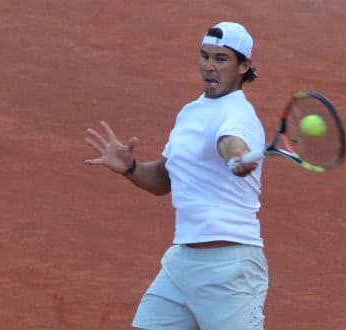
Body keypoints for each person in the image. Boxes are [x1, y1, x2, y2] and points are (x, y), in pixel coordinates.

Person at [84, 22, 268, 330]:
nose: (209, 67)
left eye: (221, 59)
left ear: (243, 66)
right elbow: (164, 178)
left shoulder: (237, 114)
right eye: (204, 56)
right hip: (182, 263)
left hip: (229, 269)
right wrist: (131, 168)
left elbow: (230, 142)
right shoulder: (190, 112)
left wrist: (236, 156)